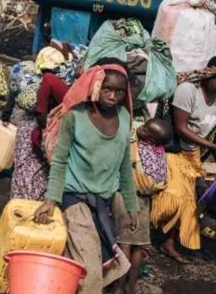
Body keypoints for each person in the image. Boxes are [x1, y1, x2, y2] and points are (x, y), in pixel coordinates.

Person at [34, 57, 138, 294]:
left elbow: (124, 165)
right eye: (107, 89)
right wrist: (51, 200)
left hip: (103, 202)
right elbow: (59, 162)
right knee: (89, 267)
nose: (112, 96)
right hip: (75, 199)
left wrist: (131, 206)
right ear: (95, 86)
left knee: (93, 265)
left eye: (119, 91)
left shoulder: (123, 118)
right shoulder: (75, 116)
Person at [151, 55, 216, 262]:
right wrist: (212, 147)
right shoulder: (188, 91)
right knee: (182, 197)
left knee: (199, 197)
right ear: (210, 74)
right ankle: (167, 241)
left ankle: (173, 237)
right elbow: (180, 129)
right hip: (174, 150)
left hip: (194, 153)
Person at [113, 118, 173, 294]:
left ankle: (118, 286)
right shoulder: (159, 152)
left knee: (124, 243)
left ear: (151, 140)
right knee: (138, 245)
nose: (142, 129)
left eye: (146, 130)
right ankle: (131, 286)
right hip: (145, 200)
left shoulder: (137, 147)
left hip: (126, 198)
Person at [3, 47, 68, 200]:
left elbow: (12, 97)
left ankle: (20, 201)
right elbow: (43, 115)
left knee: (22, 166)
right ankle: (36, 202)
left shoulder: (23, 77)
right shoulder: (53, 81)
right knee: (40, 168)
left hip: (26, 125)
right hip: (43, 127)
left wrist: (5, 116)